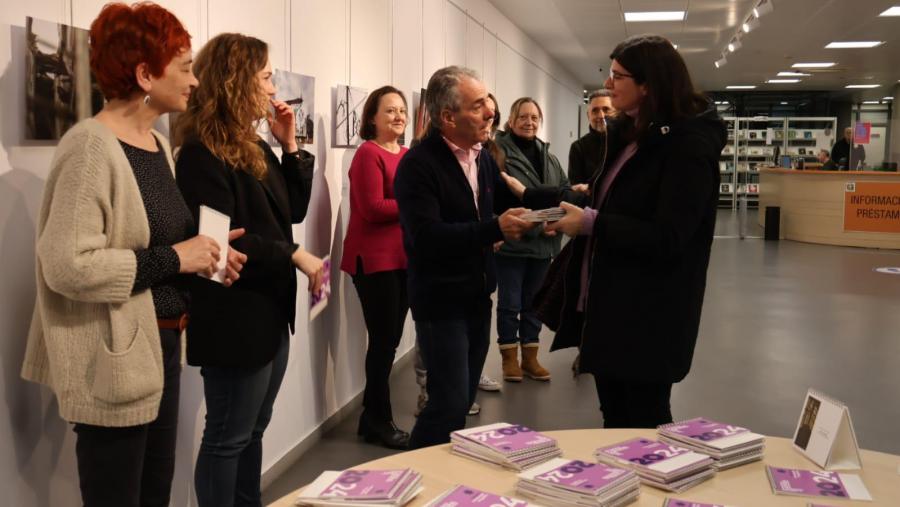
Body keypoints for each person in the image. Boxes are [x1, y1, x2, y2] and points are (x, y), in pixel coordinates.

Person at [21, 4, 245, 506]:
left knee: (154, 496)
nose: (194, 80)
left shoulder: (156, 142)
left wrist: (207, 257)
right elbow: (67, 265)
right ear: (145, 73)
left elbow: (162, 244)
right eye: (185, 67)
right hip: (112, 363)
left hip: (158, 349)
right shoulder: (90, 147)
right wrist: (177, 260)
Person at [514, 35, 725, 429]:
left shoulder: (688, 148)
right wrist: (537, 198)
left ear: (648, 83)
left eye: (617, 76)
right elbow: (602, 196)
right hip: (611, 306)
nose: (608, 85)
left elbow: (669, 236)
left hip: (648, 313)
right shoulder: (632, 136)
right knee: (615, 419)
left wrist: (592, 223)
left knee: (644, 423)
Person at [173, 33, 324, 507]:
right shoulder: (200, 152)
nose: (271, 86)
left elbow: (292, 211)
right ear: (236, 81)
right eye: (263, 77)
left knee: (252, 430)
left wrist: (290, 146)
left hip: (267, 309)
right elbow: (226, 238)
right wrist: (293, 254)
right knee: (226, 437)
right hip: (234, 312)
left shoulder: (251, 144)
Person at [394, 66, 533, 449]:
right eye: (478, 105)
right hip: (440, 302)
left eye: (488, 101)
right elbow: (425, 237)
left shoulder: (481, 157)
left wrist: (546, 213)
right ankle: (416, 476)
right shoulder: (418, 165)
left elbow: (500, 205)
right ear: (447, 117)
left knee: (462, 401)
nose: (491, 111)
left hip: (476, 296)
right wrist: (495, 230)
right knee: (447, 404)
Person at [340, 86, 411, 449]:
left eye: (401, 111)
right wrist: (415, 204)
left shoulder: (408, 154)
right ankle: (380, 422)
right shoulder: (367, 154)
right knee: (383, 344)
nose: (398, 116)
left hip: (403, 259)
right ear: (372, 118)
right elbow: (373, 208)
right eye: (389, 111)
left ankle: (371, 417)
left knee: (390, 342)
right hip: (374, 260)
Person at [493, 97, 568, 383]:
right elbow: (497, 197)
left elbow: (562, 193)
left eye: (534, 117)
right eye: (522, 117)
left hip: (543, 244)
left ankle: (531, 358)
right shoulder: (498, 153)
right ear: (510, 121)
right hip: (512, 243)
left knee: (535, 303)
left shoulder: (549, 157)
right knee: (510, 304)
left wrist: (556, 224)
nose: (529, 122)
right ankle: (509, 359)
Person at [568, 90, 615, 185]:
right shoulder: (578, 148)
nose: (601, 115)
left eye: (606, 110)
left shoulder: (626, 143)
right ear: (588, 116)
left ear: (616, 113)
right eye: (595, 111)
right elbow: (577, 188)